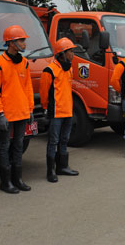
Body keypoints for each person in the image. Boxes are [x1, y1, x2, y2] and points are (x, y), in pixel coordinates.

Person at [0, 25, 34, 193]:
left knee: (18, 145)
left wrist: (30, 109)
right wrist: (0, 113)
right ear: (11, 42)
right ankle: (6, 182)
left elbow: (28, 88)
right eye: (21, 40)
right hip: (7, 114)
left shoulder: (24, 62)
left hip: (22, 112)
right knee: (4, 146)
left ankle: (18, 180)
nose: (24, 43)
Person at [41, 37, 79, 180]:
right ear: (62, 53)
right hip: (56, 113)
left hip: (68, 111)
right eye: (70, 51)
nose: (73, 54)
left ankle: (62, 167)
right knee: (53, 141)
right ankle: (51, 171)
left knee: (64, 140)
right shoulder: (49, 70)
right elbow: (44, 93)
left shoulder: (69, 69)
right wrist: (46, 108)